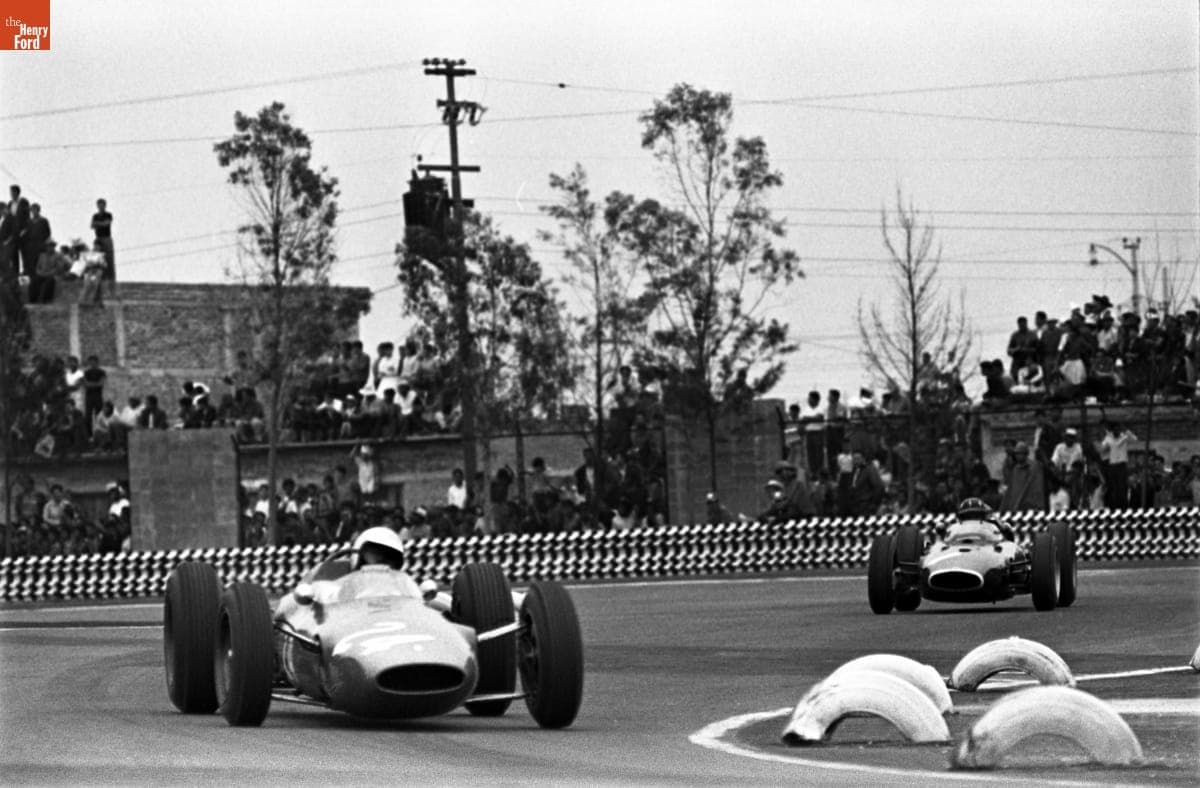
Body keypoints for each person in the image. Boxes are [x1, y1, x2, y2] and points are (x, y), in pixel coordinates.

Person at [90, 198, 115, 280]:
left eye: (102, 205)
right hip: (98, 239)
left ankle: (110, 279)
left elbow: (106, 224)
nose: (100, 207)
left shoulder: (108, 214)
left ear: (105, 205)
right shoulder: (95, 216)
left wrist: (97, 224)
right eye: (99, 205)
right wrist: (101, 224)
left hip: (107, 238)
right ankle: (98, 277)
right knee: (97, 258)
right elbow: (92, 226)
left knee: (109, 259)